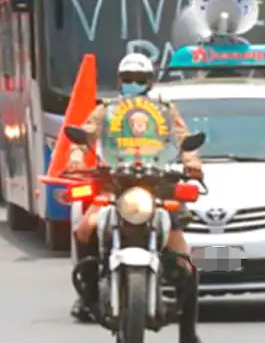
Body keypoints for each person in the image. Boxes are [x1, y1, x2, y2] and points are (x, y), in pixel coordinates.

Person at [66, 53, 202, 342]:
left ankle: (188, 332)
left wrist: (192, 163)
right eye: (128, 79)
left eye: (139, 80)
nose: (133, 84)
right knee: (85, 228)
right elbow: (84, 136)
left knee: (185, 261)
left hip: (157, 186)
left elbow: (183, 139)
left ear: (150, 82)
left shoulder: (165, 110)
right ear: (119, 80)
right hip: (114, 185)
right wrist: (76, 158)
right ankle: (87, 293)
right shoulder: (107, 111)